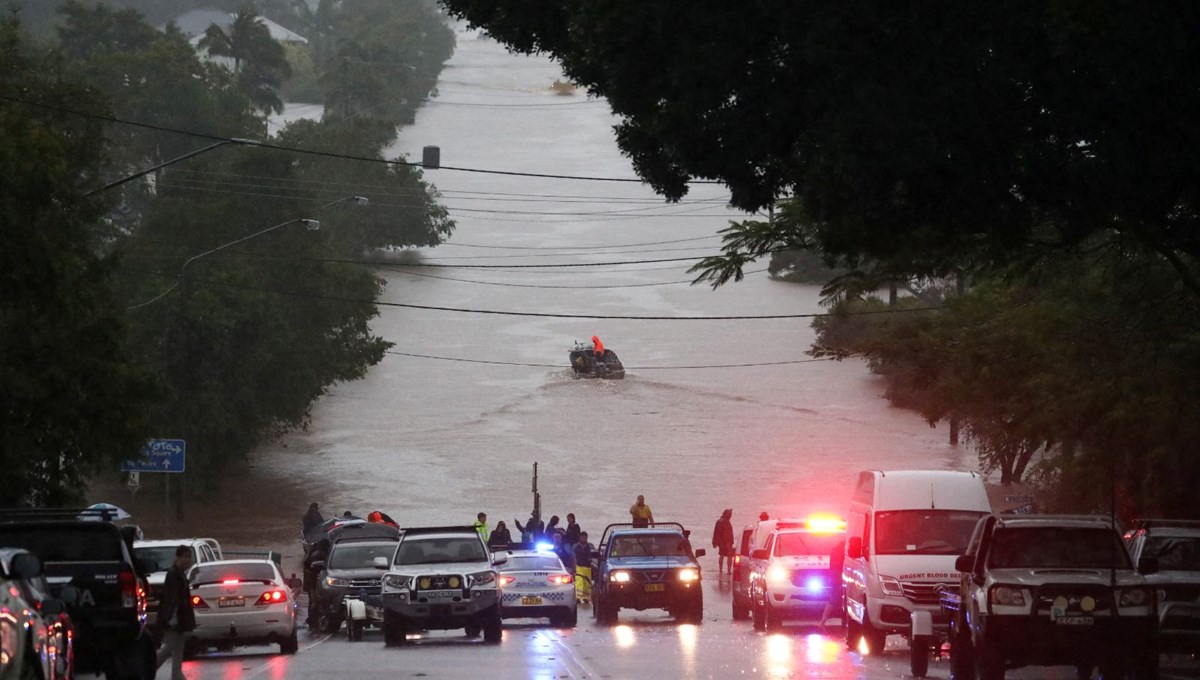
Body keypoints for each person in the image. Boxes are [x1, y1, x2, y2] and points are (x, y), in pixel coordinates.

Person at [154, 545, 196, 680]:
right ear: (180, 557)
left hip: (179, 619)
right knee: (169, 647)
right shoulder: (174, 574)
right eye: (187, 557)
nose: (189, 561)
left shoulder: (179, 574)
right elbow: (172, 600)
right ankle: (148, 668)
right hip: (174, 619)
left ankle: (177, 676)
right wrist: (172, 619)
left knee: (178, 649)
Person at [573, 532, 596, 604]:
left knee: (587, 583)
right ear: (579, 538)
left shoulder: (590, 546)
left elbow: (594, 556)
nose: (583, 539)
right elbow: (572, 556)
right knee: (579, 581)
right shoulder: (575, 546)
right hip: (578, 566)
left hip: (588, 567)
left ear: (587, 538)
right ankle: (578, 597)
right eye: (582, 537)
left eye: (585, 538)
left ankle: (586, 597)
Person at [713, 508, 735, 575]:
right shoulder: (725, 522)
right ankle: (728, 571)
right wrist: (729, 542)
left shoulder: (719, 521)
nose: (730, 516)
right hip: (726, 542)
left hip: (721, 542)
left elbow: (715, 532)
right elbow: (727, 533)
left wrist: (714, 541)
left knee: (721, 555)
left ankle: (720, 570)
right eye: (729, 514)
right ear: (726, 514)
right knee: (729, 555)